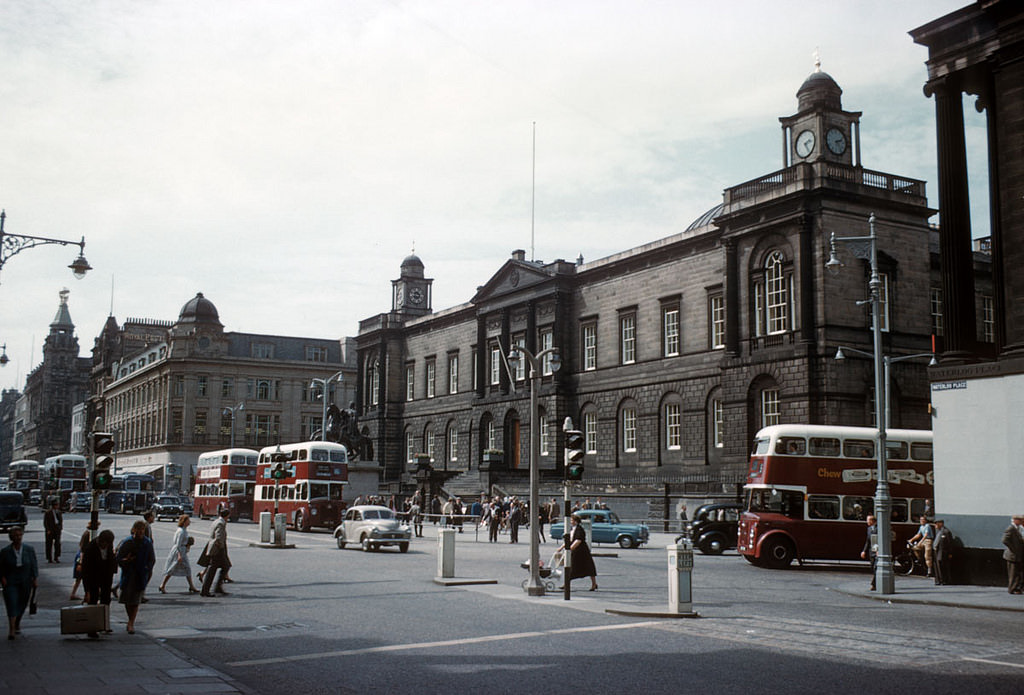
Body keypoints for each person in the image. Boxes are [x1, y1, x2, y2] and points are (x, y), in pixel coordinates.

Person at [116, 520, 156, 634]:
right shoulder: (127, 542)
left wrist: (147, 570)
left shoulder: (147, 542)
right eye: (138, 529)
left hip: (140, 574)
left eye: (142, 529)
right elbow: (119, 558)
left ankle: (131, 623)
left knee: (136, 600)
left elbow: (152, 559)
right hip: (129, 574)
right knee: (128, 600)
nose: (140, 532)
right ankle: (130, 620)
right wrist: (126, 561)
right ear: (133, 530)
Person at [0, 527, 38, 640]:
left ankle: (17, 622)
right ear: (11, 537)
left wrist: (35, 578)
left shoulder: (29, 549)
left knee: (22, 602)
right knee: (12, 602)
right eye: (15, 535)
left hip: (25, 579)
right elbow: (0, 566)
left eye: (19, 535)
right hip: (11, 579)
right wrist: (2, 578)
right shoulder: (5, 551)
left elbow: (33, 564)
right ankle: (11, 629)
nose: (18, 537)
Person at [158, 515, 199, 594]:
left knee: (186, 568)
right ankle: (162, 585)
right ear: (184, 521)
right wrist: (179, 555)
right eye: (188, 520)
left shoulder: (184, 530)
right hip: (179, 551)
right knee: (173, 568)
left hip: (182, 551)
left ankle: (191, 586)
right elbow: (178, 544)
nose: (189, 521)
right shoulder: (181, 531)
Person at [561, 514, 598, 591]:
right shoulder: (571, 529)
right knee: (571, 567)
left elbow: (578, 540)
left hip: (581, 551)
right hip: (575, 551)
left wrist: (570, 549)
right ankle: (566, 584)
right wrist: (561, 548)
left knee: (589, 567)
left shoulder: (579, 529)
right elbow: (570, 539)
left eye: (572, 520)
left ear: (576, 521)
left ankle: (594, 584)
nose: (570, 522)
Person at [82, 529, 118, 607]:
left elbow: (111, 558)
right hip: (93, 576)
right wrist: (87, 591)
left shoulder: (109, 545)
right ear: (101, 541)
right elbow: (85, 571)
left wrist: (113, 569)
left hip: (106, 575)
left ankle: (105, 615)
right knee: (93, 599)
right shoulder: (90, 548)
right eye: (105, 544)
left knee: (106, 599)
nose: (106, 546)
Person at [200, 508, 231, 597]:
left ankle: (214, 587)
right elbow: (218, 537)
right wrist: (221, 548)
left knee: (221, 567)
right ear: (227, 515)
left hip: (215, 548)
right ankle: (207, 590)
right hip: (217, 549)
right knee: (216, 568)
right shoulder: (220, 523)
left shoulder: (216, 521)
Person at [1001, 515, 1024, 594]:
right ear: (1015, 520)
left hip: (1017, 555)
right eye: (1020, 520)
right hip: (1012, 555)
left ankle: (1016, 588)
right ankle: (1011, 589)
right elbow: (1004, 540)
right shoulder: (1010, 528)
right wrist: (1013, 548)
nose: (1022, 522)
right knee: (1012, 573)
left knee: (1017, 573)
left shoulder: (1017, 528)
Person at [69, 530, 91, 600]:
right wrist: (81, 564)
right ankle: (87, 595)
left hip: (78, 562)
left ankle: (73, 593)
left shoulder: (82, 545)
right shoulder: (86, 548)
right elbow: (82, 555)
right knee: (86, 580)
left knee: (78, 580)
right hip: (82, 563)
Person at [932, 519, 954, 586]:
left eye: (936, 523)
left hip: (943, 552)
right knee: (937, 567)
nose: (935, 525)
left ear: (940, 523)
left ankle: (944, 580)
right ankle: (938, 580)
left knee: (943, 567)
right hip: (937, 551)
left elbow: (949, 543)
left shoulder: (946, 532)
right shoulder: (939, 531)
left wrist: (950, 553)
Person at [860, 515, 878, 591]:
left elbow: (878, 540)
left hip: (877, 551)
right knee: (872, 567)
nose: (867, 521)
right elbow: (868, 541)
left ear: (872, 521)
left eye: (868, 520)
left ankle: (874, 584)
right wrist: (864, 551)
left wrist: (878, 550)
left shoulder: (878, 528)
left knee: (876, 568)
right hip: (871, 551)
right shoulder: (869, 529)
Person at [43, 498, 63, 563]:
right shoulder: (48, 512)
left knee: (57, 544)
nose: (57, 506)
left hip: (57, 529)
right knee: (49, 544)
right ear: (53, 505)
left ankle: (56, 557)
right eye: (56, 505)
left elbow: (60, 521)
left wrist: (60, 528)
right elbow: (45, 522)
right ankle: (49, 558)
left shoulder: (59, 512)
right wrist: (48, 529)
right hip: (50, 530)